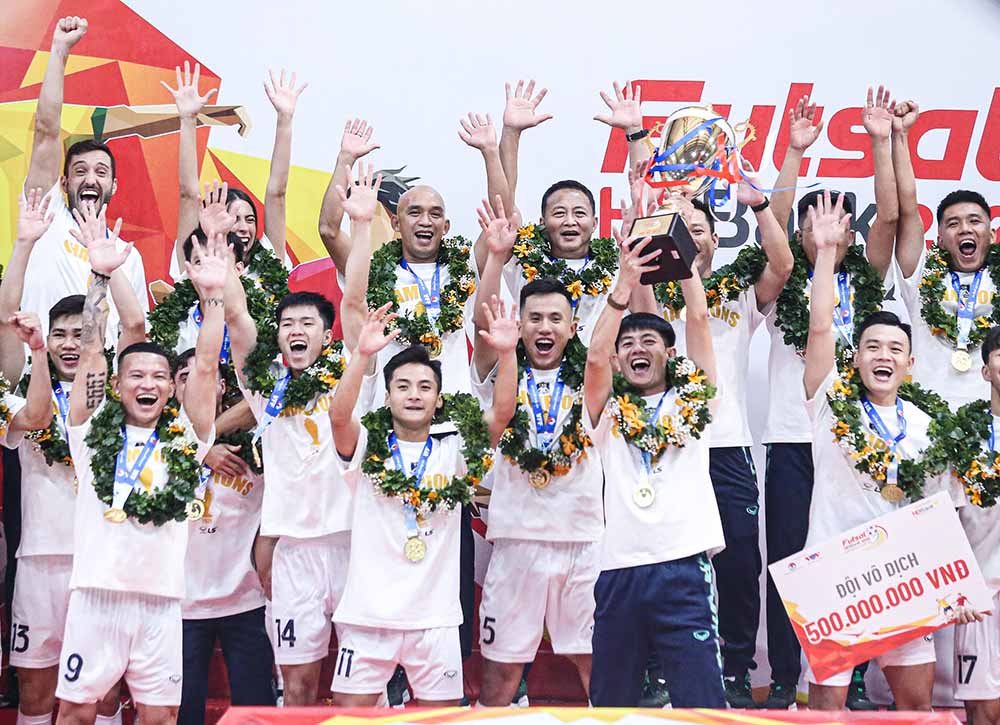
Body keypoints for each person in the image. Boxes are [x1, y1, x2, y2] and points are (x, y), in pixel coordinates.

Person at [54, 208, 224, 725]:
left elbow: (208, 365)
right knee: (76, 713)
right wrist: (99, 276)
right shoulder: (91, 432)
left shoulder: (186, 438)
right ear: (117, 384)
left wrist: (214, 296)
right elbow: (90, 352)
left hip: (161, 602)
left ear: (171, 387)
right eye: (135, 375)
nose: (146, 383)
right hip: (95, 597)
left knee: (160, 718)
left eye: (157, 376)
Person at [222, 163, 382, 703]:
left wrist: (362, 225)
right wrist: (221, 253)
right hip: (292, 553)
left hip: (355, 545)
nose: (296, 330)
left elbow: (354, 302)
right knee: (298, 685)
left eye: (308, 323)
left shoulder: (352, 377)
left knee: (363, 690)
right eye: (287, 324)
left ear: (326, 337)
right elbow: (238, 318)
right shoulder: (264, 388)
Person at [757, 89, 896, 709]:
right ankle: (786, 677)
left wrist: (880, 142)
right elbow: (777, 224)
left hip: (857, 441)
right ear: (801, 230)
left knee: (856, 558)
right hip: (793, 438)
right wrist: (793, 153)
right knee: (790, 561)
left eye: (838, 220)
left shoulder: (865, 278)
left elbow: (889, 221)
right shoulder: (784, 280)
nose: (827, 228)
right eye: (815, 221)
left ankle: (853, 676)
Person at [801, 191, 961, 710]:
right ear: (855, 359)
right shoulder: (831, 402)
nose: (883, 355)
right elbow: (820, 325)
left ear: (910, 364)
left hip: (901, 580)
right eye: (872, 346)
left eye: (895, 348)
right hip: (835, 578)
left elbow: (936, 515)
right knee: (826, 713)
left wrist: (952, 590)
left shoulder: (928, 426)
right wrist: (827, 254)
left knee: (917, 710)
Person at [0, 191, 146, 725]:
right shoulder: (21, 391)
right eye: (57, 333)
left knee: (101, 697)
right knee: (36, 696)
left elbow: (135, 329)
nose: (67, 342)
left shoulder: (110, 395)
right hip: (40, 560)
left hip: (99, 563)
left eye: (77, 334)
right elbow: (5, 322)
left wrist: (105, 271)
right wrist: (22, 245)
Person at [327, 298, 517, 706]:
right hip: (367, 618)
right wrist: (361, 355)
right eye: (403, 386)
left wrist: (507, 353)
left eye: (425, 387)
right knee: (349, 717)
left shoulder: (455, 450)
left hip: (436, 622)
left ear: (439, 400)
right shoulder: (368, 446)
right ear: (388, 397)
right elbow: (339, 417)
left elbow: (502, 413)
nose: (414, 395)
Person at [582, 227, 725, 707]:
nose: (638, 348)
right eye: (628, 343)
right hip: (619, 570)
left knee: (701, 704)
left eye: (649, 340)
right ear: (619, 360)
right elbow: (594, 357)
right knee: (611, 704)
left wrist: (681, 257)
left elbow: (698, 319)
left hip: (683, 567)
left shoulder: (697, 401)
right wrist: (623, 286)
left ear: (670, 353)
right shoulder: (605, 410)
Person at [472, 190, 605, 704]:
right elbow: (485, 322)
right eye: (534, 318)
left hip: (583, 540)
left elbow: (621, 314)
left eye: (555, 319)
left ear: (573, 327)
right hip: (517, 542)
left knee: (595, 664)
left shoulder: (594, 373)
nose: (544, 327)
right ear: (519, 324)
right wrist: (496, 258)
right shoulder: (499, 368)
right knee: (501, 673)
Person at [19, 16, 148, 340]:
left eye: (101, 172)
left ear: (113, 186)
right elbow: (46, 132)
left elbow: (134, 333)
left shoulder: (127, 256)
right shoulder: (45, 217)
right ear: (64, 184)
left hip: (97, 373)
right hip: (36, 368)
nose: (90, 179)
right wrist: (59, 51)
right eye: (80, 171)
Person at [174, 347, 275, 725]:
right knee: (183, 713)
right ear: (171, 388)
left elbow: (269, 398)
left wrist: (208, 440)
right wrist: (201, 450)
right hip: (179, 604)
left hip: (245, 600)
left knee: (256, 713)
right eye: (184, 378)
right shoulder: (154, 442)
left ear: (222, 386)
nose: (195, 385)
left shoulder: (256, 444)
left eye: (205, 377)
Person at [872, 97, 995, 410]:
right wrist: (900, 136)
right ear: (939, 240)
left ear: (992, 235)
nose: (964, 229)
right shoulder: (923, 274)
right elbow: (908, 208)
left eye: (974, 221)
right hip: (925, 416)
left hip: (991, 419)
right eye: (953, 224)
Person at [163, 62, 305, 276]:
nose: (244, 228)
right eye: (234, 219)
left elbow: (277, 193)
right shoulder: (196, 260)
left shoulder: (268, 263)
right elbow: (188, 195)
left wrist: (285, 119)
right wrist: (188, 121)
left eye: (250, 220)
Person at [951, 328, 1000, 725]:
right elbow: (946, 520)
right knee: (984, 710)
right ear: (985, 370)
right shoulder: (961, 438)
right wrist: (959, 586)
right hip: (982, 591)